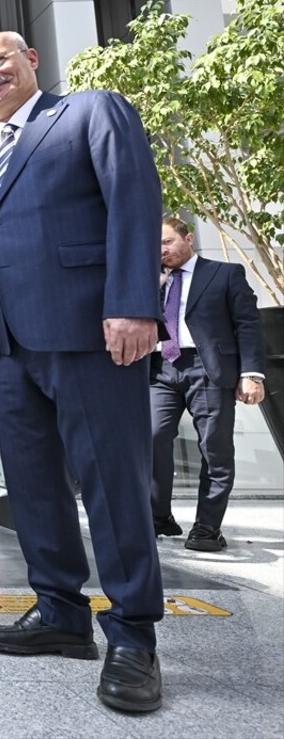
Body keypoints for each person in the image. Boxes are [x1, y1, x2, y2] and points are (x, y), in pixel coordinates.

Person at [0, 31, 165, 712]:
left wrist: (132, 303)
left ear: (31, 60)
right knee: (35, 487)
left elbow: (134, 204)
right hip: (10, 348)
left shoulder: (90, 112)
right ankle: (61, 612)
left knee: (112, 482)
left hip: (89, 334)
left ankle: (133, 635)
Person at [151, 216, 265, 551]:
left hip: (208, 369)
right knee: (152, 437)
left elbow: (247, 324)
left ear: (188, 238)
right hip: (161, 369)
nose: (161, 250)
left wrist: (251, 374)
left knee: (214, 448)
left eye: (167, 242)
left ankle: (207, 527)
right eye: (155, 245)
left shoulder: (224, 274)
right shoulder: (151, 280)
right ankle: (159, 516)